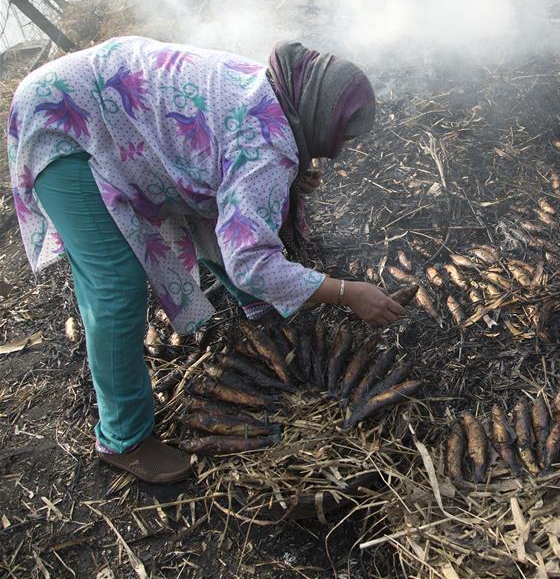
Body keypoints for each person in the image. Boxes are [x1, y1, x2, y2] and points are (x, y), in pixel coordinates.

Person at [6, 36, 407, 484]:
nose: (342, 149)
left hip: (95, 101)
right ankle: (124, 439)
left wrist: (288, 175)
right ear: (318, 114)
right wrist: (348, 294)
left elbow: (229, 176)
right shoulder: (266, 147)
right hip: (66, 126)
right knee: (115, 286)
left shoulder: (273, 91)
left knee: (224, 210)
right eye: (340, 136)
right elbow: (250, 259)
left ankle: (261, 306)